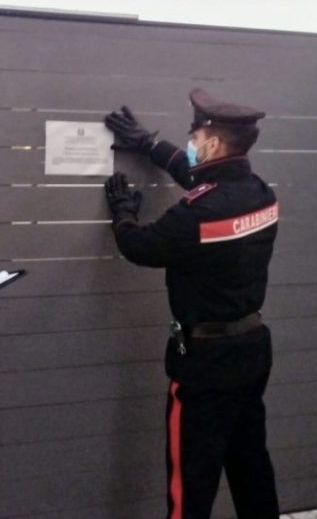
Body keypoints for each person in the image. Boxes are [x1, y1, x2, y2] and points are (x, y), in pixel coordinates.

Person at [103, 88, 280, 519]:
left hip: (205, 366)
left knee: (191, 483)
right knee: (250, 466)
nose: (192, 140)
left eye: (196, 133)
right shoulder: (261, 194)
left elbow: (140, 247)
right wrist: (149, 144)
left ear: (214, 143)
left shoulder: (197, 214)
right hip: (251, 351)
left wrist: (122, 211)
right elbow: (196, 175)